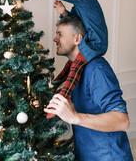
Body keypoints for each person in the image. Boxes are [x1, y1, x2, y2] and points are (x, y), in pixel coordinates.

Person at [19, 0, 108, 118]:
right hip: (92, 42)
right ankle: (55, 83)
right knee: (71, 64)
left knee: (75, 69)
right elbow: (76, 21)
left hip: (95, 44)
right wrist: (63, 12)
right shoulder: (81, 2)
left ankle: (57, 103)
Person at [44, 16, 133, 161]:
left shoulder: (97, 69)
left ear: (77, 39)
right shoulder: (74, 69)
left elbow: (122, 121)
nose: (55, 39)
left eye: (60, 34)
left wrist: (75, 117)